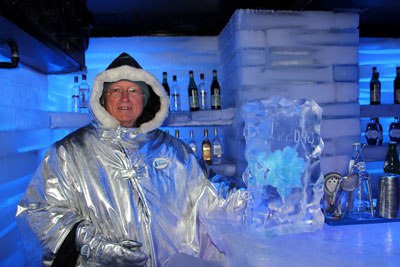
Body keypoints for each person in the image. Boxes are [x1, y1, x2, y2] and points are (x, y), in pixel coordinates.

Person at [16, 53, 246, 267]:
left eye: (134, 90)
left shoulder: (175, 151)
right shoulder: (68, 152)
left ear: (146, 99)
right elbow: (38, 210)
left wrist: (252, 200)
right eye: (116, 90)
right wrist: (93, 245)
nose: (125, 97)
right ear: (102, 99)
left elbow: (211, 192)